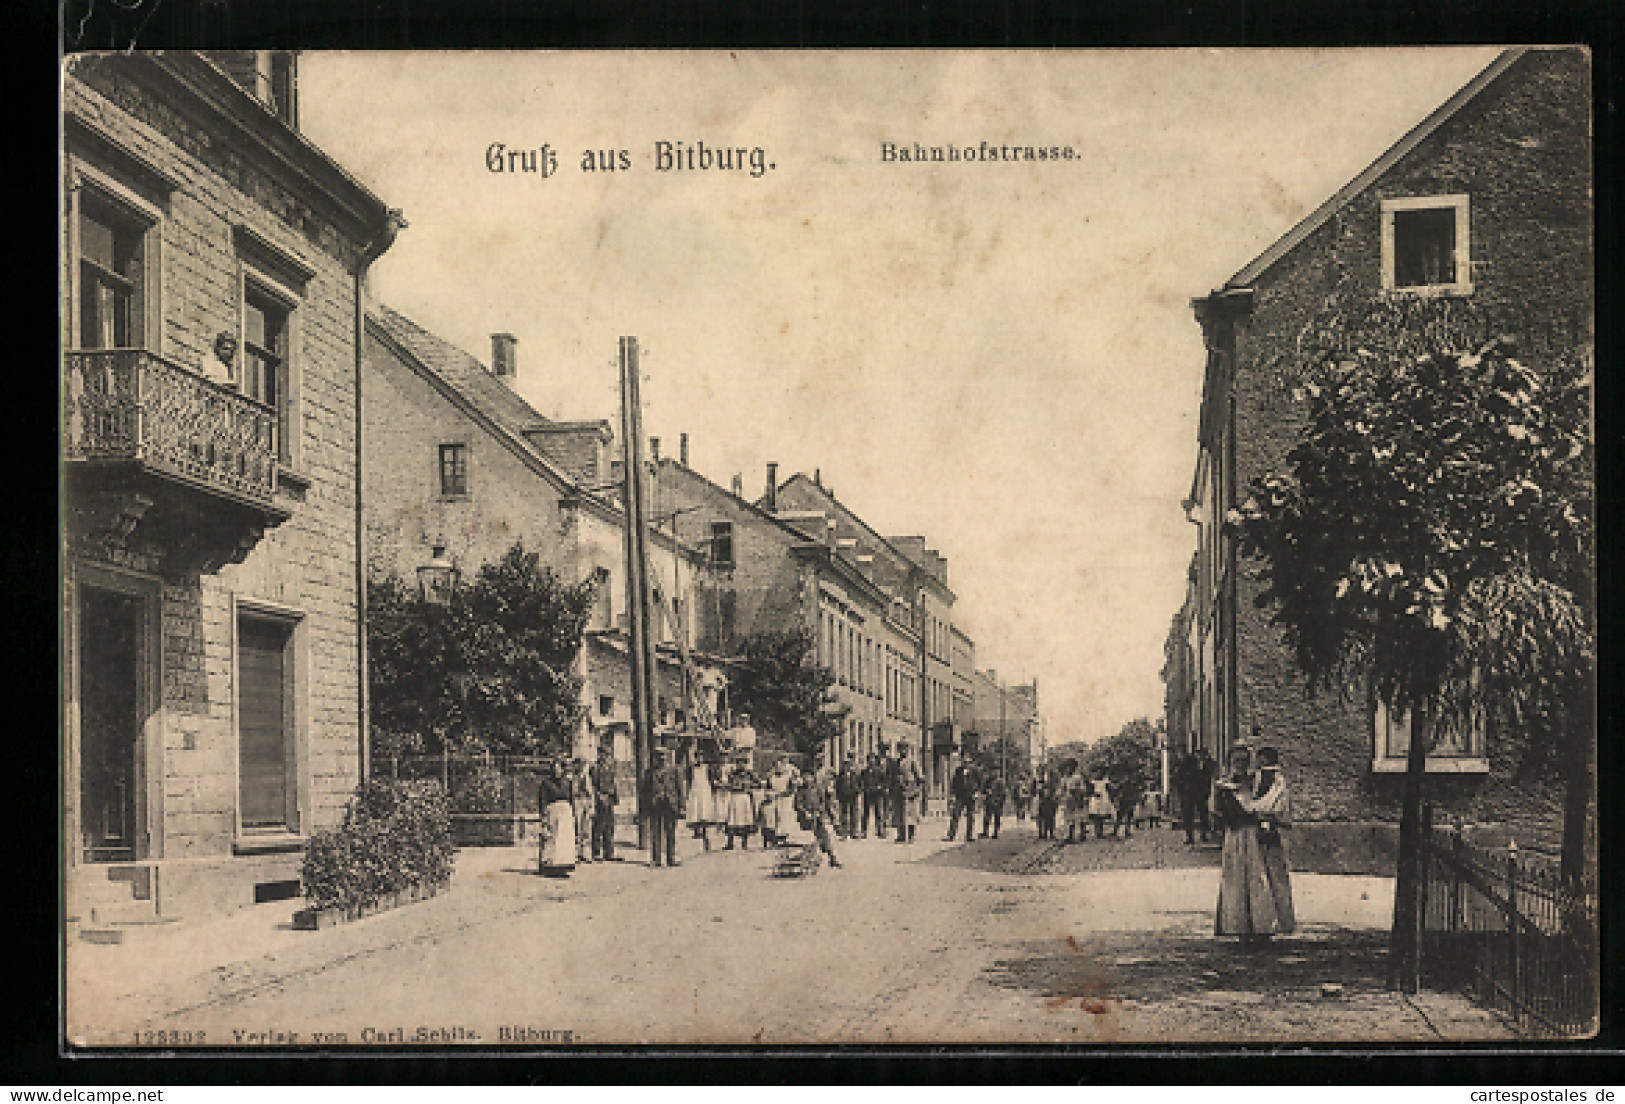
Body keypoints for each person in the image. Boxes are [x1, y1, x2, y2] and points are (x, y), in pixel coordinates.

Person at [1214, 741, 1296, 941]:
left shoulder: (1259, 782)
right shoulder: (1223, 784)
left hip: (1255, 836)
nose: (1240, 764)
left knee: (1259, 878)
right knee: (1237, 880)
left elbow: (1272, 801)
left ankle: (1263, 926)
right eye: (1236, 760)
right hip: (1235, 836)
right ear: (1229, 762)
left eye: (1244, 760)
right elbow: (1217, 814)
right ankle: (1238, 926)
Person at [794, 755, 843, 868]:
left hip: (817, 816)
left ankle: (832, 857)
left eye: (809, 776)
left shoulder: (817, 789)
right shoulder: (801, 791)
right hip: (805, 818)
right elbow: (797, 805)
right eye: (805, 776)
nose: (807, 779)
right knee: (809, 839)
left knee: (824, 835)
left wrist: (820, 812)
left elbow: (823, 802)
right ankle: (810, 860)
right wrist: (805, 812)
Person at [536, 758, 577, 878]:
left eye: (559, 768)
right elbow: (542, 800)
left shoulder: (567, 782)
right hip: (552, 811)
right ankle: (548, 866)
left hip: (566, 813)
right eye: (555, 768)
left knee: (564, 840)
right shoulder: (546, 783)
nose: (557, 771)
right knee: (551, 838)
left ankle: (563, 866)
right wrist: (543, 815)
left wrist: (572, 811)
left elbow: (571, 798)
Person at [645, 747, 683, 868]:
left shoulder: (674, 770)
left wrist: (681, 806)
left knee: (671, 832)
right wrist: (645, 807)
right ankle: (656, 859)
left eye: (664, 756)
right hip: (655, 805)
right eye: (659, 756)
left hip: (670, 804)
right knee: (655, 833)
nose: (661, 759)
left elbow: (680, 789)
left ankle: (671, 858)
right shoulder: (650, 772)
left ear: (667, 757)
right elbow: (645, 791)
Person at [590, 745, 619, 861]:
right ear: (599, 754)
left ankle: (609, 852)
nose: (606, 757)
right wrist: (598, 797)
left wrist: (615, 797)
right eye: (604, 754)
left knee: (610, 826)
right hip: (600, 799)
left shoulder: (610, 767)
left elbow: (613, 783)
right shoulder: (595, 768)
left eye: (608, 755)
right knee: (599, 826)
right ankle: (596, 853)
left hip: (609, 798)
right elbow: (592, 786)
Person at [1178, 750, 1214, 845]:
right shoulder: (1187, 765)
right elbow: (1180, 778)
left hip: (1200, 793)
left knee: (1203, 813)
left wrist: (1207, 792)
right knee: (1188, 815)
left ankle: (1203, 833)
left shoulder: (1205, 766)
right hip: (1189, 793)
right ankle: (1190, 836)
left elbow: (1208, 779)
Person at [685, 751, 719, 852]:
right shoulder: (692, 768)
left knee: (704, 812)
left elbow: (711, 780)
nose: (699, 759)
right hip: (695, 790)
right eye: (697, 757)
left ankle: (705, 836)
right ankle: (696, 831)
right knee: (696, 811)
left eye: (701, 757)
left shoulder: (707, 768)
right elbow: (689, 780)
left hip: (704, 791)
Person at [723, 754, 758, 849]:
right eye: (738, 763)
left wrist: (748, 785)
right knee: (732, 819)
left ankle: (744, 842)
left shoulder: (750, 774)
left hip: (744, 797)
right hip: (734, 797)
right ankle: (730, 843)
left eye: (743, 763)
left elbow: (757, 783)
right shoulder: (732, 774)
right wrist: (730, 786)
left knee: (745, 819)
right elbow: (728, 784)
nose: (740, 765)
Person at [896, 747, 924, 843]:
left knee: (911, 814)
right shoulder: (897, 762)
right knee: (901, 814)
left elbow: (920, 777)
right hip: (900, 790)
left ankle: (911, 836)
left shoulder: (912, 761)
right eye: (900, 749)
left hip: (911, 789)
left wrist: (916, 790)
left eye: (904, 749)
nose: (902, 751)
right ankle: (901, 835)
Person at [570, 756, 595, 864]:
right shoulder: (573, 777)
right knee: (577, 827)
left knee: (586, 828)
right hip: (577, 801)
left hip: (585, 801)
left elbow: (591, 793)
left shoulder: (586, 777)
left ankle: (584, 853)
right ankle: (576, 853)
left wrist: (591, 806)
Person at [945, 759, 976, 841]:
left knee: (970, 817)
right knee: (955, 815)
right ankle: (951, 835)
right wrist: (952, 795)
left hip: (970, 796)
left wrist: (976, 793)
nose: (966, 764)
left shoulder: (974, 772)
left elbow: (979, 783)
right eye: (965, 762)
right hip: (960, 796)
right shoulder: (958, 771)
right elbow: (954, 783)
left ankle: (969, 836)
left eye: (968, 762)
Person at [860, 753, 886, 838]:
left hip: (877, 794)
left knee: (878, 813)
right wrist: (863, 788)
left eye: (872, 759)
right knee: (865, 813)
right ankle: (864, 831)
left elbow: (883, 782)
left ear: (875, 761)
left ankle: (880, 831)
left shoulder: (879, 771)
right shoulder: (864, 771)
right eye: (869, 760)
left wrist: (880, 787)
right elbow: (861, 782)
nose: (871, 761)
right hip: (867, 793)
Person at [836, 754, 861, 839]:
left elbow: (859, 781)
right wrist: (838, 793)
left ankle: (853, 832)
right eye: (850, 757)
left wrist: (858, 789)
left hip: (853, 793)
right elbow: (838, 782)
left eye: (852, 758)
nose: (851, 760)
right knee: (844, 814)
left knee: (854, 813)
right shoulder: (843, 768)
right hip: (844, 793)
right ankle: (844, 832)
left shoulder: (856, 768)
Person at [980, 770, 1006, 840]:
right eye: (993, 771)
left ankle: (996, 832)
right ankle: (985, 832)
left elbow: (1003, 793)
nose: (994, 773)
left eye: (996, 772)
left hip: (997, 802)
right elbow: (983, 790)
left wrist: (1001, 801)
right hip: (989, 801)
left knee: (997, 818)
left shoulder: (1000, 782)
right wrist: (985, 793)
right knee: (987, 817)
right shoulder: (987, 781)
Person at [1087, 774, 1112, 839]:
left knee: (1102, 816)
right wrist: (1094, 794)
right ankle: (1097, 832)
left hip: (1103, 799)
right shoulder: (1093, 782)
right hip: (1095, 799)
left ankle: (1101, 832)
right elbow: (1090, 791)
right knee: (1096, 815)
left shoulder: (1105, 781)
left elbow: (1109, 789)